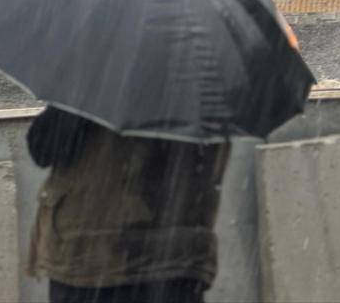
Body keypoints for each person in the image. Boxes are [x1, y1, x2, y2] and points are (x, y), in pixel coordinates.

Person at [27, 107, 230, 303]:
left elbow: (43, 148)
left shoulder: (100, 80)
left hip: (93, 254)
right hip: (179, 253)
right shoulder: (206, 81)